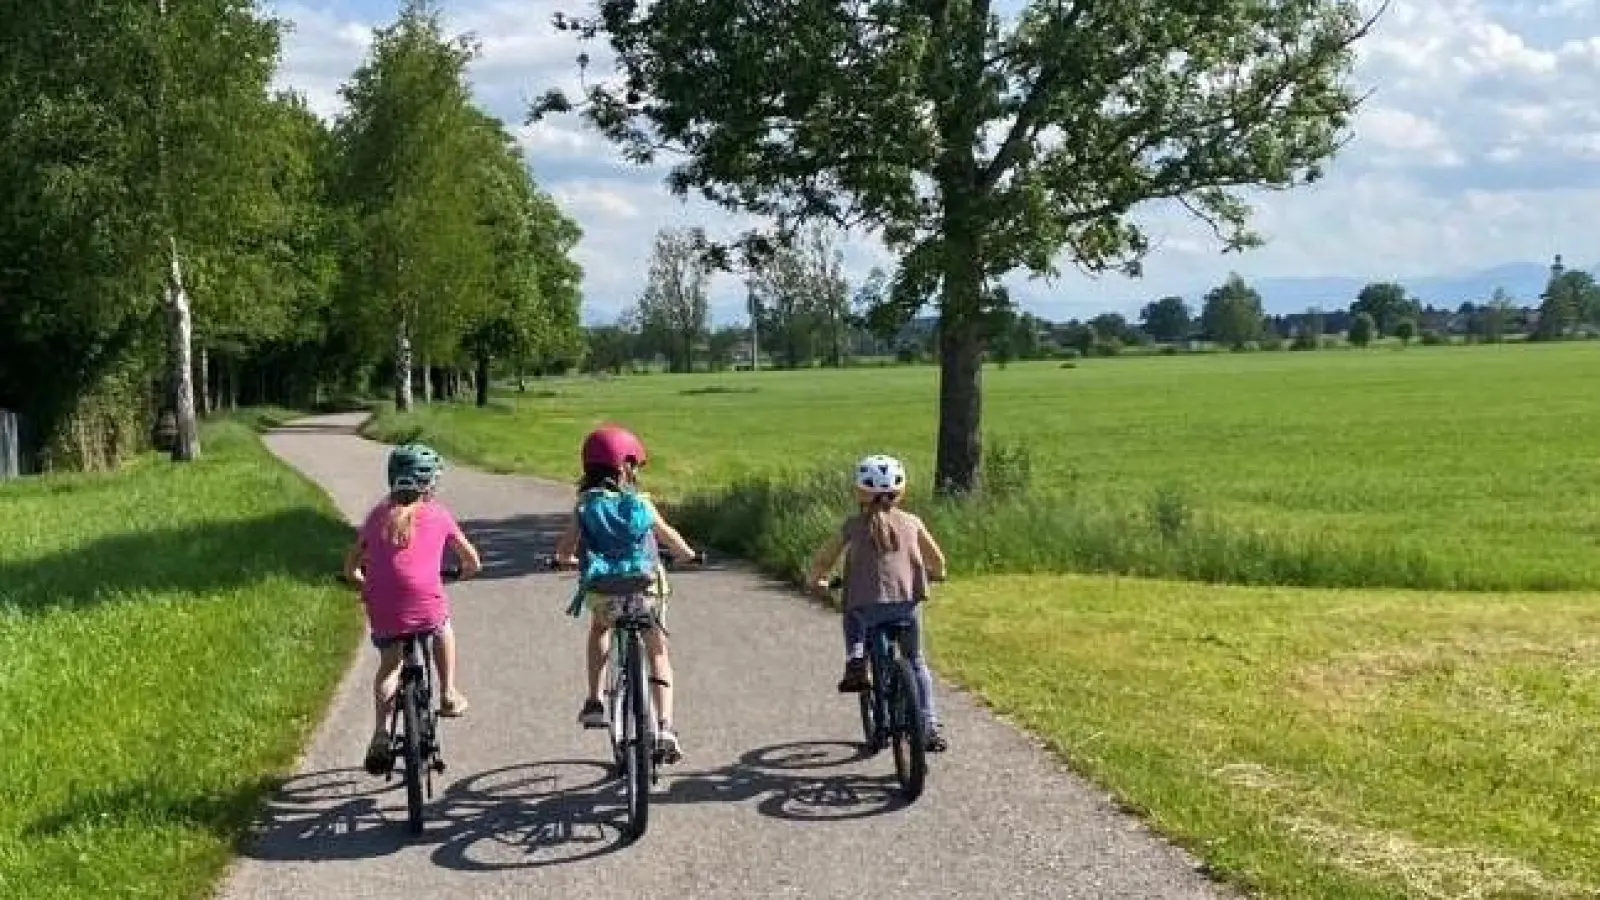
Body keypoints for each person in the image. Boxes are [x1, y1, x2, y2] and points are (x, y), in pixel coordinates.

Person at [553, 424, 701, 764]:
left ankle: (594, 701)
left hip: (605, 594)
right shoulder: (642, 504)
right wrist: (688, 556)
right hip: (645, 590)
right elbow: (670, 538)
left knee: (600, 629)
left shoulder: (585, 506)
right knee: (657, 652)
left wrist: (564, 561)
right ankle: (664, 727)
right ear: (626, 467)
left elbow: (563, 550)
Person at [343, 442, 482, 775]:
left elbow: (351, 567)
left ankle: (379, 734)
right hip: (425, 602)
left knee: (390, 667)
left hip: (384, 606)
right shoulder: (438, 514)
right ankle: (448, 693)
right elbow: (473, 561)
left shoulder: (377, 515)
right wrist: (461, 574)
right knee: (442, 626)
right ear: (430, 483)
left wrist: (366, 584)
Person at [807, 453, 950, 752]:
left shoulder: (852, 526)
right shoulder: (912, 522)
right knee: (915, 661)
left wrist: (818, 580)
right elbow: (936, 559)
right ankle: (929, 725)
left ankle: (856, 658)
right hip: (906, 606)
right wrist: (937, 574)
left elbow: (824, 559)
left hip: (867, 608)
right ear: (901, 491)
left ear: (860, 492)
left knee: (852, 613)